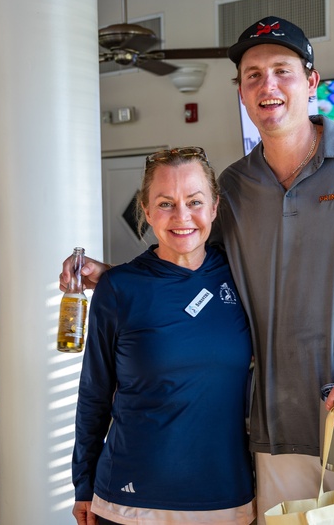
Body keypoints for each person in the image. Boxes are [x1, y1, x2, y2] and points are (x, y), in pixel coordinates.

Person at [61, 17, 334, 525]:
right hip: (280, 440)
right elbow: (187, 260)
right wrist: (116, 279)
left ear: (311, 82)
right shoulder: (234, 187)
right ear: (241, 92)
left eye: (282, 71)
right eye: (252, 75)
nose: (267, 85)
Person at [71, 147, 255, 525]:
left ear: (215, 207)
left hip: (226, 495)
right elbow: (94, 395)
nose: (182, 216)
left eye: (194, 202)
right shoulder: (118, 288)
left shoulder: (241, 275)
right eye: (166, 203)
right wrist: (83, 484)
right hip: (131, 500)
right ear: (147, 210)